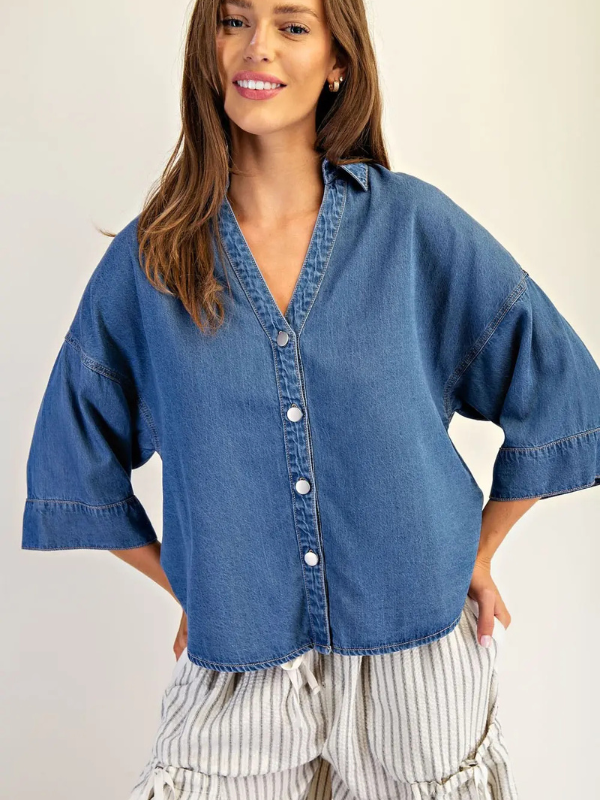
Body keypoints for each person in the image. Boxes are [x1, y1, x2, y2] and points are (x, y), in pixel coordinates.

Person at [21, 0, 600, 798]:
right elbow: (72, 465)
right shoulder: (153, 263)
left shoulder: (412, 230)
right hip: (238, 672)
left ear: (338, 63)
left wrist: (477, 549)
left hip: (418, 659)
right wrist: (198, 586)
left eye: (291, 26)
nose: (255, 46)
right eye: (233, 21)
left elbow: (563, 389)